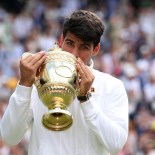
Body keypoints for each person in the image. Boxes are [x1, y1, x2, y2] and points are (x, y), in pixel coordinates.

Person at [0, 10, 128, 155]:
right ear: (61, 41)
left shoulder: (112, 86)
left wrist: (85, 99)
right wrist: (24, 85)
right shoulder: (39, 82)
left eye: (84, 47)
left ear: (96, 49)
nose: (74, 53)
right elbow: (9, 137)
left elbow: (116, 144)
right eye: (70, 43)